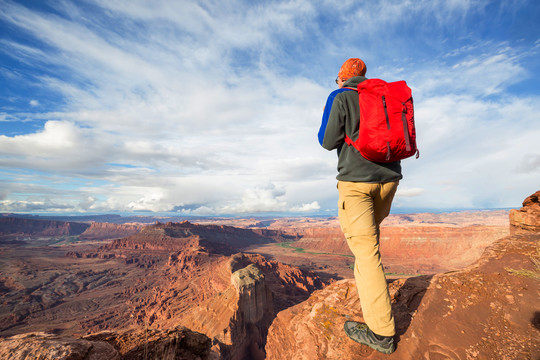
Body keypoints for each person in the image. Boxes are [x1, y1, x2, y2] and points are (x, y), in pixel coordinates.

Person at [318, 58, 402, 354]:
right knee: (368, 245)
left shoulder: (340, 96)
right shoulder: (381, 96)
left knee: (367, 255)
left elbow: (327, 141)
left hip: (356, 184)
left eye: (337, 79)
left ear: (342, 78)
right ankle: (373, 299)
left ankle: (382, 334)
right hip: (390, 181)